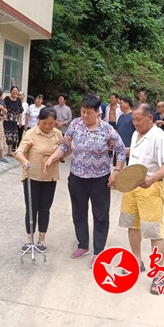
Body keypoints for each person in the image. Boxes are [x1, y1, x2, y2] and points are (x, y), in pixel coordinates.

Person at [44, 94, 127, 269]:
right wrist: (52, 158)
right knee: (78, 212)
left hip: (100, 179)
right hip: (77, 177)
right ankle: (83, 244)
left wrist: (117, 171)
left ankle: (99, 252)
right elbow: (64, 146)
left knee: (100, 216)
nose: (85, 115)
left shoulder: (107, 129)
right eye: (82, 111)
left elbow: (120, 150)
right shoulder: (75, 124)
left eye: (89, 112)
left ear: (98, 112)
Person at [118, 103, 164, 295]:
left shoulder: (159, 137)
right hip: (132, 186)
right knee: (132, 225)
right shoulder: (136, 134)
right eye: (133, 119)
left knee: (154, 231)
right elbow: (134, 155)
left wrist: (151, 179)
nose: (135, 123)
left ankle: (158, 275)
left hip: (150, 187)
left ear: (150, 118)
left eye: (138, 120)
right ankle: (136, 261)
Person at [15, 107, 63, 253]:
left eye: (51, 123)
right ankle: (29, 239)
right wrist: (24, 160)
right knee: (31, 209)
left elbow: (64, 151)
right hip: (32, 177)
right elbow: (19, 151)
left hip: (50, 177)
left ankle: (42, 239)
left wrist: (62, 153)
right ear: (39, 121)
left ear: (55, 122)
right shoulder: (31, 133)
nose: (47, 126)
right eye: (44, 123)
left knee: (44, 209)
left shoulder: (58, 134)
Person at [4, 86, 24, 155]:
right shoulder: (7, 99)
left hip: (14, 121)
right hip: (7, 120)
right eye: (13, 90)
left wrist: (20, 121)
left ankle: (9, 152)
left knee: (12, 136)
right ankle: (1, 151)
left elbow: (20, 111)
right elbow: (3, 108)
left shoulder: (18, 100)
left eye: (16, 90)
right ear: (11, 91)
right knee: (6, 135)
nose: (15, 92)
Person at [116, 96, 135, 166]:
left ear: (127, 104)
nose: (120, 106)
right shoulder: (121, 117)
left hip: (130, 147)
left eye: (121, 103)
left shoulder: (133, 116)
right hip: (120, 147)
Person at [54, 93, 72, 163]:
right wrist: (56, 122)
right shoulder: (55, 107)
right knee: (55, 141)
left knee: (63, 142)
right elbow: (52, 115)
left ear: (65, 100)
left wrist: (63, 123)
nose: (60, 100)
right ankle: (54, 155)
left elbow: (69, 119)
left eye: (61, 99)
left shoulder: (68, 109)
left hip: (64, 128)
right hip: (55, 127)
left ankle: (62, 156)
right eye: (59, 98)